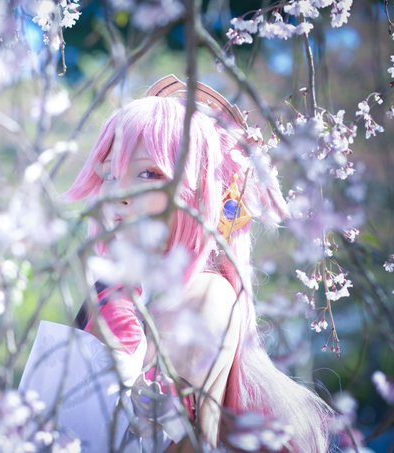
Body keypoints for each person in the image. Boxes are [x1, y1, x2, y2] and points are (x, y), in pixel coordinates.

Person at [65, 75, 333, 451]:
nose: (119, 194)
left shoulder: (205, 296)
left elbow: (161, 439)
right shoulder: (117, 291)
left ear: (199, 190)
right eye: (109, 174)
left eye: (147, 173)